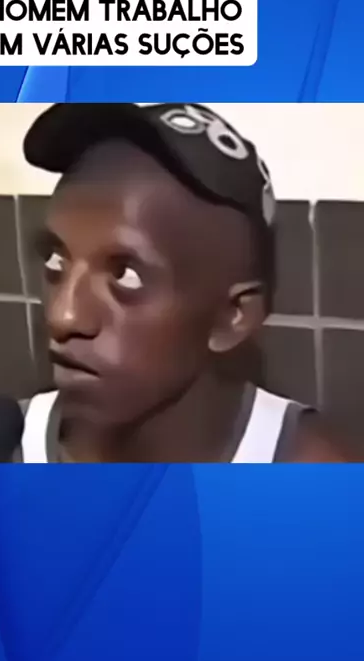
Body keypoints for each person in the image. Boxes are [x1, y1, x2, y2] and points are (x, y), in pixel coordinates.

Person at [18, 102, 348, 463]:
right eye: (56, 260)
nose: (63, 315)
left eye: (125, 275)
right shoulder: (3, 449)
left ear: (233, 316)